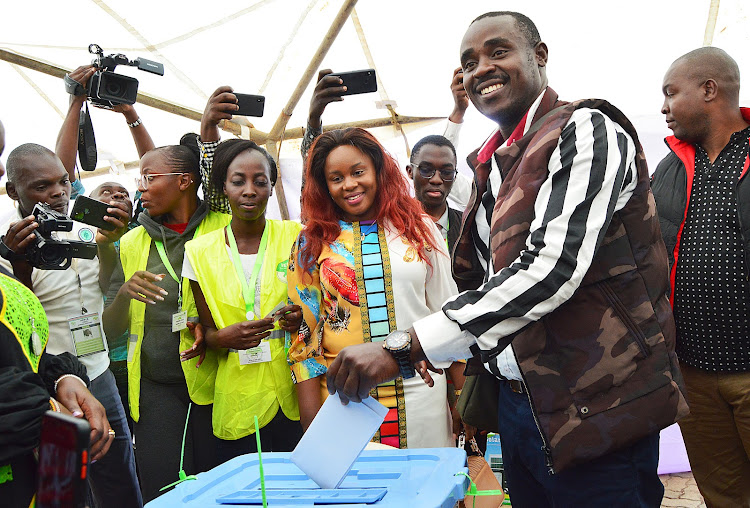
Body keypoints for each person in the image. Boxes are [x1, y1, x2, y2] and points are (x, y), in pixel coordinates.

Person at [326, 11, 689, 507]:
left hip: (601, 404)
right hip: (524, 409)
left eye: (498, 52)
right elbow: (489, 282)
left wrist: (405, 347)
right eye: (469, 62)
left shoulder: (586, 130)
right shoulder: (489, 163)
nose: (481, 70)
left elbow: (552, 267)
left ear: (539, 56)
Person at [287, 127, 461, 448]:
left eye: (358, 172)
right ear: (324, 186)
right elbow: (302, 344)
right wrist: (313, 428)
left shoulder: (419, 228)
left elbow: (448, 314)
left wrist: (462, 397)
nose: (349, 184)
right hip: (344, 401)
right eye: (336, 178)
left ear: (379, 171)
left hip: (420, 395)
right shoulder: (309, 243)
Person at [0, 143, 141, 508]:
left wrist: (108, 246)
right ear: (14, 190)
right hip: (51, 388)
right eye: (42, 186)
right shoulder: (9, 244)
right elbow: (20, 323)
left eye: (63, 182)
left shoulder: (83, 228)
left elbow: (102, 284)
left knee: (120, 475)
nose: (58, 193)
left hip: (100, 371)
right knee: (64, 490)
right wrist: (19, 265)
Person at [102, 136, 229, 502]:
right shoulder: (130, 242)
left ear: (184, 181)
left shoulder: (225, 227)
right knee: (162, 491)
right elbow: (110, 329)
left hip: (217, 379)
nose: (139, 187)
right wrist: (124, 293)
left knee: (218, 486)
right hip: (155, 388)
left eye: (149, 177)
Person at [651, 47, 750, 507]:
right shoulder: (668, 169)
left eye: (671, 93)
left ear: (709, 89)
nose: (664, 107)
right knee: (724, 495)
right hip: (694, 374)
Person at [183, 139, 303, 462]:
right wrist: (223, 337)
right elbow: (206, 331)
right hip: (238, 397)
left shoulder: (296, 236)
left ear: (271, 186)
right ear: (224, 187)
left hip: (294, 391)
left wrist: (300, 318)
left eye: (260, 181)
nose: (249, 190)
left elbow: (317, 308)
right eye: (239, 181)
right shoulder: (198, 252)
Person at [58, 65, 155, 200]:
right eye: (106, 192)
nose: (118, 195)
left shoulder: (141, 220)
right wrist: (76, 102)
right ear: (89, 201)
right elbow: (62, 178)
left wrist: (130, 113)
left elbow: (154, 172)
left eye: (125, 194)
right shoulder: (72, 218)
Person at [406, 135, 462, 251]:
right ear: (410, 172)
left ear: (455, 176)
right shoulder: (393, 226)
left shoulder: (469, 227)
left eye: (446, 172)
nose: (436, 180)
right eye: (426, 170)